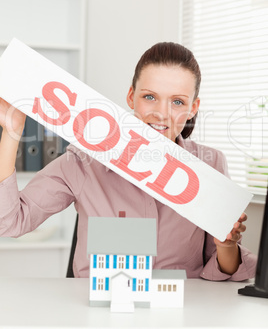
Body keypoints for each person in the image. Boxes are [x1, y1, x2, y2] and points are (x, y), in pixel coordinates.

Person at [0, 42, 257, 279]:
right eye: (149, 97)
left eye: (177, 102)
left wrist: (227, 246)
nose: (161, 113)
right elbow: (10, 221)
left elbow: (223, 268)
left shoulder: (210, 166)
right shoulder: (82, 162)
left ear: (193, 108)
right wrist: (11, 132)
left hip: (180, 313)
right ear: (131, 96)